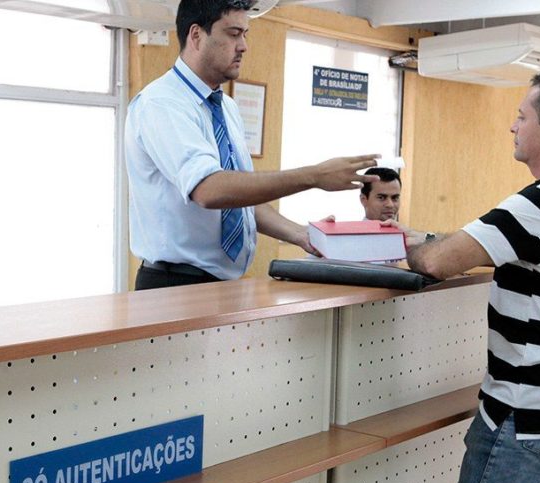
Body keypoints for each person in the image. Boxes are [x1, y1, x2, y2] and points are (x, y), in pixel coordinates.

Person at [397, 69, 540, 483]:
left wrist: (397, 240)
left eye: (521, 116)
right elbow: (498, 242)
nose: (512, 126)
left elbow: (438, 261)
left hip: (527, 413)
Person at [125, 0, 379, 290]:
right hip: (174, 284)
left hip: (222, 283)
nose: (243, 46)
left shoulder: (226, 108)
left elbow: (238, 200)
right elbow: (210, 190)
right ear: (196, 35)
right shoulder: (162, 104)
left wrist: (299, 234)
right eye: (233, 34)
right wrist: (313, 176)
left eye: (245, 34)